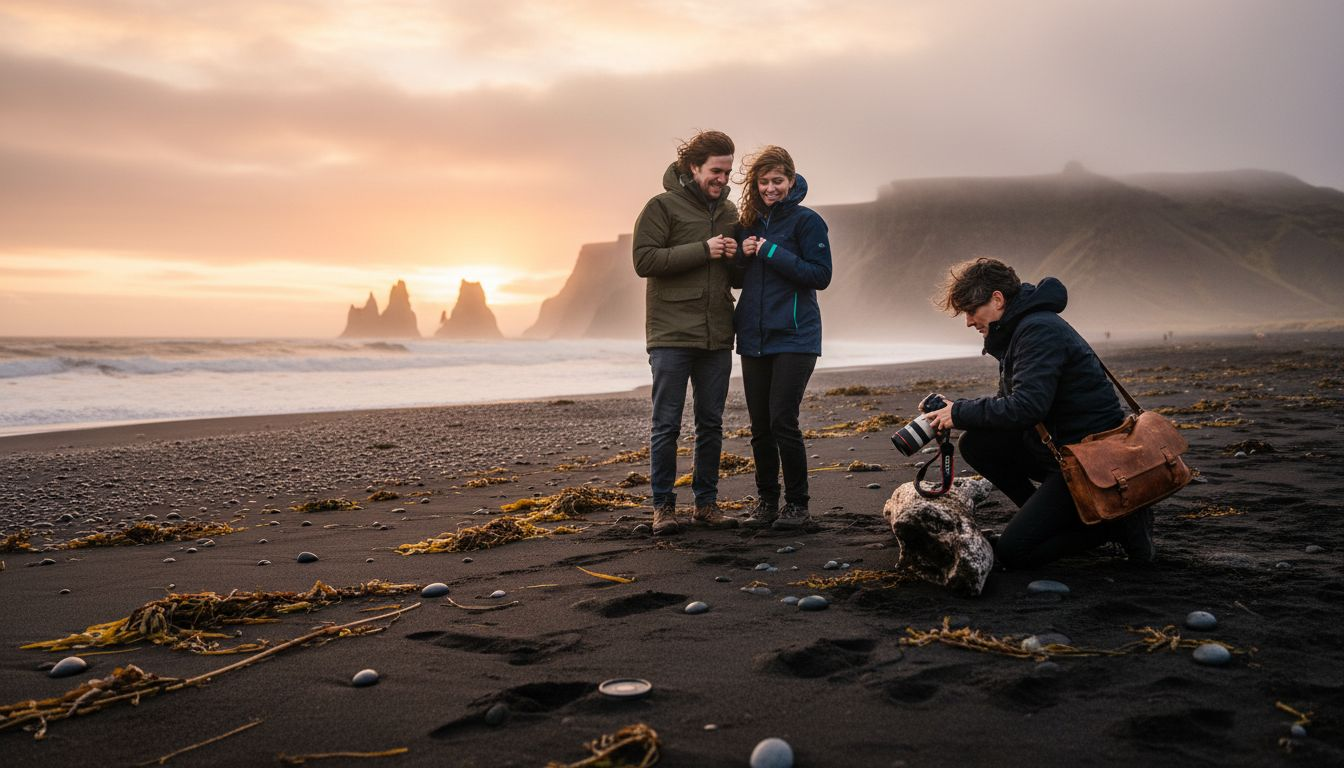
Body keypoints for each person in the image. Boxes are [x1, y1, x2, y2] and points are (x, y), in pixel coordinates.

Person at [923, 258, 1155, 567]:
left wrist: (960, 412)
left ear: (996, 299)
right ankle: (1059, 519)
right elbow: (1012, 402)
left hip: (1088, 461)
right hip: (1059, 451)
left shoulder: (1037, 330)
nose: (968, 321)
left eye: (971, 310)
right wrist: (952, 410)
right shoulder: (1019, 329)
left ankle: (1113, 525)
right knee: (977, 443)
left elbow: (1027, 408)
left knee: (1014, 554)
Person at [632, 130, 741, 536]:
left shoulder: (730, 211)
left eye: (727, 171)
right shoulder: (661, 206)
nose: (722, 178)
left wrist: (737, 259)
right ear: (693, 167)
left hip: (717, 333)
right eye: (716, 170)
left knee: (711, 423)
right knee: (667, 425)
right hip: (671, 334)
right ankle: (662, 507)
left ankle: (706, 505)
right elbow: (644, 260)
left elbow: (738, 278)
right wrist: (704, 248)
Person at [732, 146, 833, 530]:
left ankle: (798, 506)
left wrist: (770, 250)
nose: (770, 188)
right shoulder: (749, 222)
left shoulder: (807, 222)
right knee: (760, 426)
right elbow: (741, 279)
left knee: (782, 421)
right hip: (754, 337)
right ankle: (766, 503)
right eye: (764, 181)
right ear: (756, 185)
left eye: (777, 180)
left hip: (795, 336)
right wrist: (740, 255)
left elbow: (820, 275)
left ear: (791, 181)